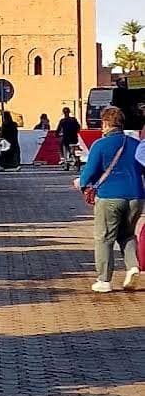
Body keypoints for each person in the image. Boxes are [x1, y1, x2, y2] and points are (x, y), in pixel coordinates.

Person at [78, 105, 144, 292]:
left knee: (104, 237)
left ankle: (104, 280)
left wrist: (82, 184)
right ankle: (133, 267)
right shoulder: (135, 144)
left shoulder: (100, 144)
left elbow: (89, 172)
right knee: (127, 234)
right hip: (136, 196)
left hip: (109, 196)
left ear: (106, 123)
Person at [56, 105, 82, 171]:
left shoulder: (62, 121)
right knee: (74, 149)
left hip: (66, 139)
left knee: (63, 149)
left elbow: (58, 130)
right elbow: (78, 127)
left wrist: (57, 134)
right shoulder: (74, 119)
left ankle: (65, 162)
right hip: (74, 139)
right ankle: (76, 160)